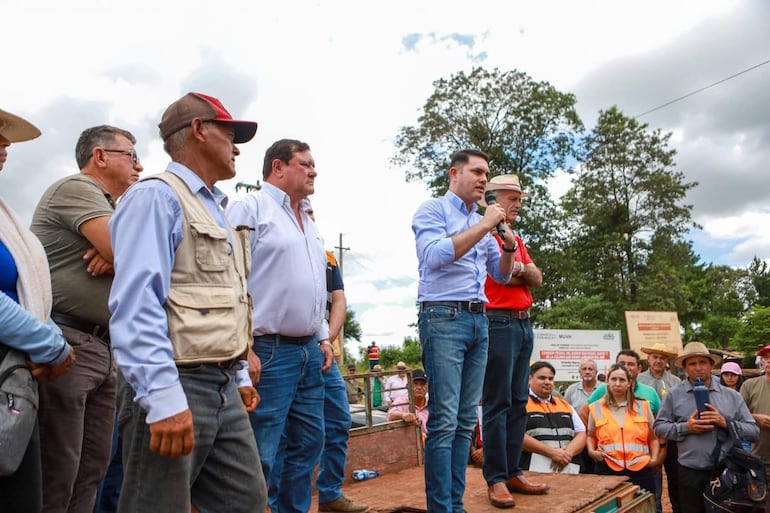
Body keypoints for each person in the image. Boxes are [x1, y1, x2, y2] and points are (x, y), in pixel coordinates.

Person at [108, 92, 265, 512]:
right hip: (176, 379)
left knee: (246, 502)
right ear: (198, 130)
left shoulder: (215, 208)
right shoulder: (156, 197)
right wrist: (162, 396)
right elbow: (137, 304)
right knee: (156, 505)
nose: (235, 148)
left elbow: (224, 299)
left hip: (222, 382)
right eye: (230, 135)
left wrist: (240, 375)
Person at [30, 125, 142, 513]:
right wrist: (118, 252)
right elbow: (133, 252)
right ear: (100, 156)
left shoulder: (114, 209)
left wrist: (119, 254)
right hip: (68, 342)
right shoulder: (76, 189)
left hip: (101, 348)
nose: (139, 165)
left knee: (91, 468)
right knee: (59, 469)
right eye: (130, 154)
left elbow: (141, 255)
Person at [226, 138, 333, 513]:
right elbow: (230, 277)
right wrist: (243, 348)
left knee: (308, 444)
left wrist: (323, 337)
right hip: (267, 350)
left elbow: (315, 284)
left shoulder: (310, 220)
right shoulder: (249, 208)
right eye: (305, 163)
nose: (313, 170)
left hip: (307, 350)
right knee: (261, 448)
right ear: (278, 167)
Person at [412, 148, 515, 513]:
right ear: (454, 173)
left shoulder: (481, 219)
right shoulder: (433, 210)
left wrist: (507, 247)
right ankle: (441, 507)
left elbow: (500, 275)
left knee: (464, 419)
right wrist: (486, 225)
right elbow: (435, 256)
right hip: (442, 317)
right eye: (477, 172)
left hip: (478, 318)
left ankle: (454, 504)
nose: (484, 180)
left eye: (486, 173)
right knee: (443, 419)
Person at [0, 108, 75, 513]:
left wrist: (48, 337)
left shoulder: (5, 216)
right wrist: (53, 344)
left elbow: (27, 292)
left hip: (11, 373)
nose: (5, 146)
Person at [478, 175, 547, 508]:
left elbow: (537, 277)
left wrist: (520, 267)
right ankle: (496, 478)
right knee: (498, 401)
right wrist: (521, 269)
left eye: (520, 197)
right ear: (494, 198)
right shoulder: (485, 232)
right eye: (513, 197)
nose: (518, 203)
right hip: (497, 322)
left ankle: (513, 470)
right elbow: (499, 275)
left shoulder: (513, 236)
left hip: (522, 324)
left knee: (520, 400)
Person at [301, 205, 369, 513]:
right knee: (295, 430)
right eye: (304, 211)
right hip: (286, 346)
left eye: (312, 212)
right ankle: (276, 501)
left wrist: (326, 339)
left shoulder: (326, 255)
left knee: (339, 419)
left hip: (323, 351)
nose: (310, 216)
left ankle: (329, 492)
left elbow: (339, 297)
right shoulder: (282, 246)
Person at [653, 342, 759, 513]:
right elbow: (659, 427)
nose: (698, 368)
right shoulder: (674, 395)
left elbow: (753, 432)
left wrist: (725, 422)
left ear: (711, 365)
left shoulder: (732, 396)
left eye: (703, 362)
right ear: (685, 368)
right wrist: (687, 427)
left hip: (726, 472)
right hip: (690, 472)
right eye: (692, 364)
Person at [586, 364, 660, 497]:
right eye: (613, 379)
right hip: (608, 469)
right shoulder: (596, 408)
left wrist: (654, 459)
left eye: (622, 380)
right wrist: (591, 451)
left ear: (629, 383)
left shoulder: (643, 406)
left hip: (640, 469)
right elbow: (591, 435)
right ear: (607, 382)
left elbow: (653, 438)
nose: (617, 384)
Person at [521, 362, 586, 478]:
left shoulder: (565, 404)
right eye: (542, 378)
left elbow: (581, 433)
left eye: (550, 379)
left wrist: (566, 454)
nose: (547, 382)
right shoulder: (519, 404)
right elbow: (515, 435)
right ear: (529, 379)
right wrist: (552, 453)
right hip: (531, 473)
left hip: (567, 470)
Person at [637, 343, 681, 513]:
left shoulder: (675, 381)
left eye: (662, 358)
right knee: (652, 479)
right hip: (646, 438)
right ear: (648, 359)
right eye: (655, 357)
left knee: (675, 478)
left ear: (667, 361)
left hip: (671, 437)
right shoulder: (639, 380)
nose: (658, 361)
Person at [579, 350, 661, 425]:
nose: (626, 367)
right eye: (622, 364)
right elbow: (583, 414)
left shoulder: (650, 392)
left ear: (639, 369)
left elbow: (661, 420)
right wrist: (593, 435)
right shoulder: (603, 389)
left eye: (631, 364)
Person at [740, 344, 770, 513]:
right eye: (766, 358)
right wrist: (756, 417)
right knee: (759, 505)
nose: (769, 361)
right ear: (762, 362)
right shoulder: (749, 385)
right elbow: (737, 414)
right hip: (758, 457)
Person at [387, 369, 429, 445]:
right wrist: (403, 415)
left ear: (427, 387)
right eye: (415, 384)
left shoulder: (432, 405)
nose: (419, 387)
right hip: (409, 446)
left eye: (422, 384)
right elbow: (391, 414)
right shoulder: (402, 402)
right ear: (408, 386)